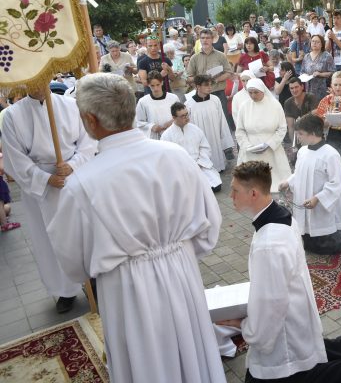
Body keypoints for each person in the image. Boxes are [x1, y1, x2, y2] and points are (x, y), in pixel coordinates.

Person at [47, 73, 226, 383]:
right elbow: (209, 226)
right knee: (191, 353)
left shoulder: (81, 184)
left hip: (126, 288)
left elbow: (72, 262)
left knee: (147, 363)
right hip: (182, 272)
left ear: (90, 119)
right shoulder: (177, 156)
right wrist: (176, 254)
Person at [224, 161, 341, 382]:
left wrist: (246, 327)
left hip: (282, 335)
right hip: (294, 311)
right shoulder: (279, 213)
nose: (230, 196)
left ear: (253, 193)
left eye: (235, 190)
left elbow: (272, 304)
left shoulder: (269, 245)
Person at [3, 85, 97, 313]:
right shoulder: (12, 115)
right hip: (41, 189)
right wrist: (45, 179)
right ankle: (64, 291)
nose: (38, 85)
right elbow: (15, 158)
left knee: (83, 234)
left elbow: (88, 142)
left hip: (74, 178)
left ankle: (94, 283)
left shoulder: (71, 105)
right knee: (49, 239)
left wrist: (73, 165)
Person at [279, 114, 341, 255]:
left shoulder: (330, 154)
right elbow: (299, 173)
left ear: (313, 133)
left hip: (321, 204)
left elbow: (336, 183)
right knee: (307, 237)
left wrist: (317, 198)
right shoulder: (302, 151)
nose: (298, 137)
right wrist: (288, 182)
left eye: (301, 134)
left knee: (326, 244)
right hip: (305, 200)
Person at [235, 79, 291, 192]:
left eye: (256, 92)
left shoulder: (275, 105)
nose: (253, 95)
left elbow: (282, 128)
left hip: (271, 148)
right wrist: (247, 146)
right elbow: (240, 130)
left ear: (263, 91)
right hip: (250, 149)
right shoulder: (244, 106)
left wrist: (269, 144)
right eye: (250, 92)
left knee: (274, 183)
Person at [161, 102, 223, 192]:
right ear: (174, 118)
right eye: (182, 116)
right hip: (182, 170)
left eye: (187, 114)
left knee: (216, 186)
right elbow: (167, 158)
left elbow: (205, 147)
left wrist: (199, 163)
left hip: (200, 165)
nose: (186, 118)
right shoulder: (166, 136)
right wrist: (185, 167)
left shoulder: (195, 129)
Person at [186, 28, 235, 130]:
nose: (205, 40)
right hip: (201, 95)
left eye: (207, 38)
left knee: (223, 121)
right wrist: (201, 79)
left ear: (212, 39)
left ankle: (226, 145)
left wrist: (216, 80)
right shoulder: (194, 58)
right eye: (202, 38)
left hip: (218, 93)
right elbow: (189, 78)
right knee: (206, 123)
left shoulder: (221, 55)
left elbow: (228, 72)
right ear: (199, 39)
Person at [185, 75, 235, 172]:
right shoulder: (189, 104)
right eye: (206, 85)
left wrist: (225, 142)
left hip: (215, 137)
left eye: (210, 84)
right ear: (198, 86)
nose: (210, 87)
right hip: (200, 139)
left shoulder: (215, 100)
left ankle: (218, 166)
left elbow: (222, 121)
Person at [135, 70, 178, 140]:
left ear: (162, 83)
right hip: (154, 137)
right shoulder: (143, 101)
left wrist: (172, 121)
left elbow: (180, 115)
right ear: (148, 85)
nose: (156, 89)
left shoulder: (173, 98)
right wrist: (151, 127)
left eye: (158, 85)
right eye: (152, 85)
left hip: (173, 135)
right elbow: (139, 122)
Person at [283, 78, 320, 146]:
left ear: (302, 87)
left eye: (296, 87)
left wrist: (301, 120)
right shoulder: (288, 103)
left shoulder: (311, 97)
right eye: (291, 88)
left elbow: (315, 117)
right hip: (299, 135)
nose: (294, 90)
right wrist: (293, 144)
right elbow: (291, 127)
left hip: (313, 133)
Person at [302, 34, 336, 99]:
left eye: (317, 42)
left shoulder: (327, 56)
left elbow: (333, 72)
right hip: (309, 88)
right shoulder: (306, 56)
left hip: (322, 89)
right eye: (313, 41)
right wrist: (305, 76)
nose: (314, 43)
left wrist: (320, 74)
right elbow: (302, 71)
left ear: (322, 44)